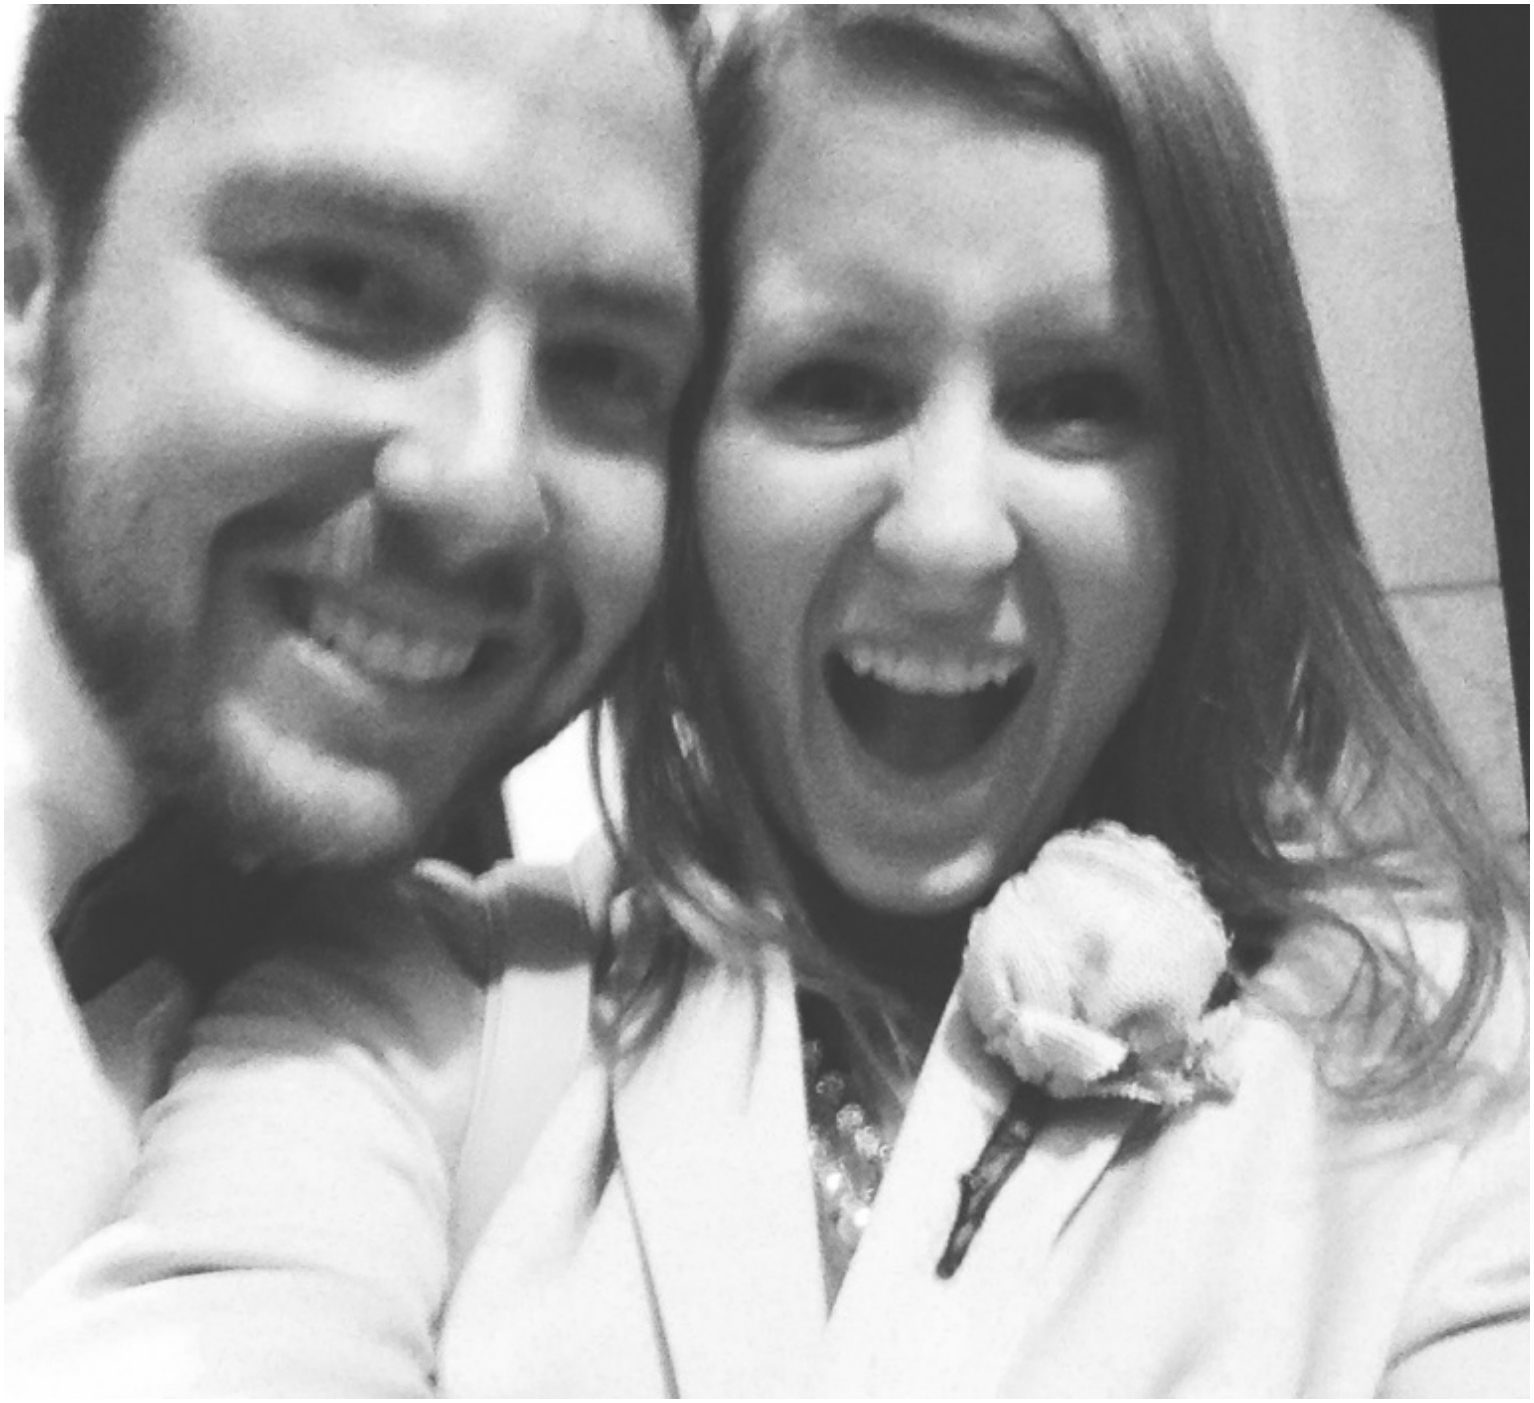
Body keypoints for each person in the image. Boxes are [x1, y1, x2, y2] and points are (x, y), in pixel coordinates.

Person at [8, 6, 1526, 1397]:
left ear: (1211, 488)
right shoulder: (415, 1011)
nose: (949, 534)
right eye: (834, 384)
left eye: (1080, 399)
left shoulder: (1449, 1081)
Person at [3, 3, 699, 1297]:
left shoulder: (587, 1038)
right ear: (31, 279)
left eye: (606, 367)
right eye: (344, 282)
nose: (487, 487)